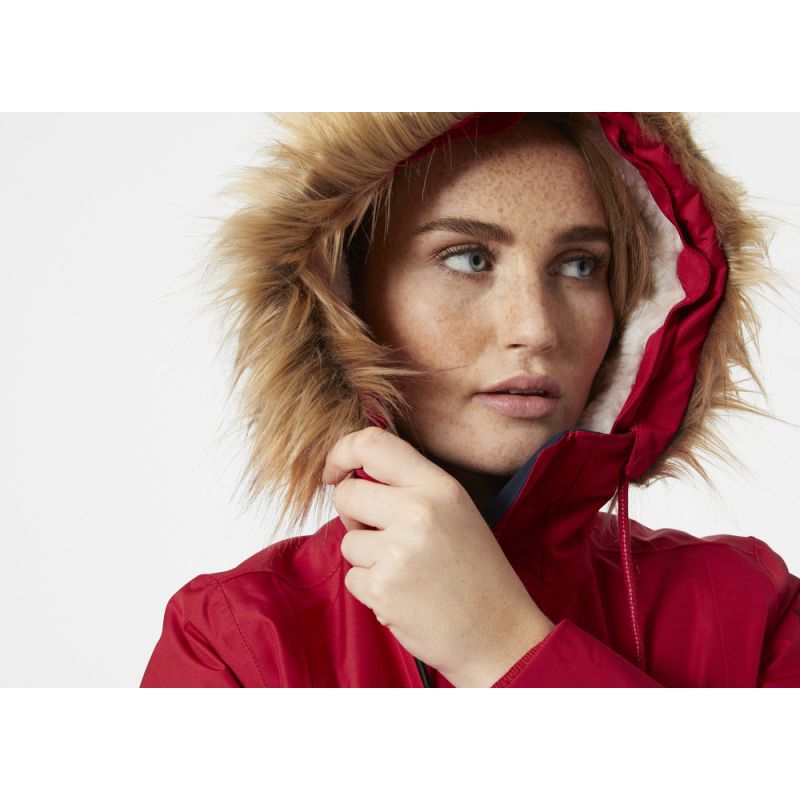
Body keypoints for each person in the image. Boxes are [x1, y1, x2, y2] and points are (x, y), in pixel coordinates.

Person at [140, 112, 800, 687]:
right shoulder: (235, 643)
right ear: (347, 296)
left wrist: (503, 649)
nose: (535, 329)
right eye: (468, 259)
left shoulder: (754, 610)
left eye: (580, 265)